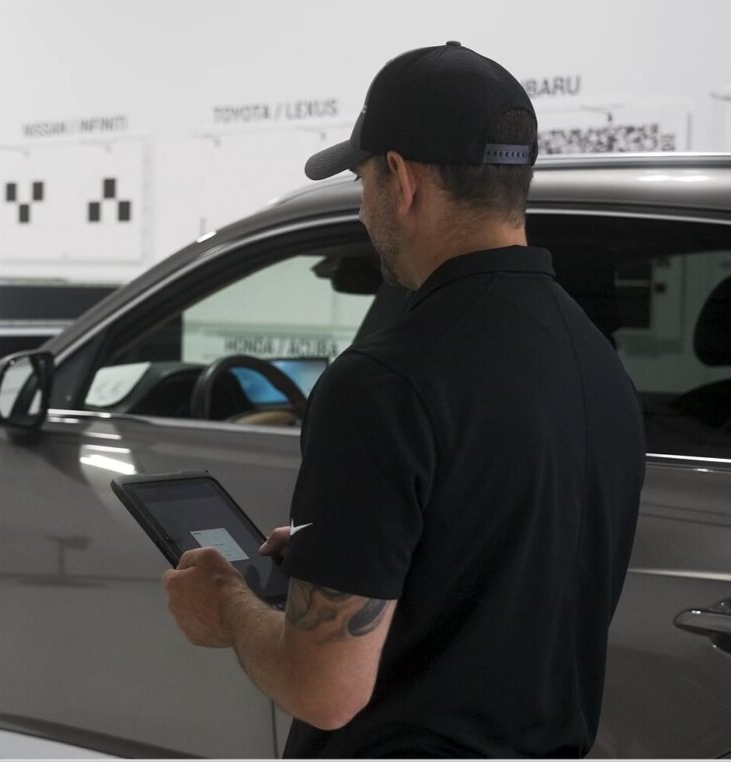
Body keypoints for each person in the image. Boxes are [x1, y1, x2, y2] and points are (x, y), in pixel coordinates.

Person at [163, 41, 645, 758]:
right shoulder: (597, 365)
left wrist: (228, 607)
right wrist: (353, 551)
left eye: (361, 179)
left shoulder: (382, 384)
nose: (362, 207)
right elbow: (506, 561)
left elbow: (325, 688)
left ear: (400, 178)